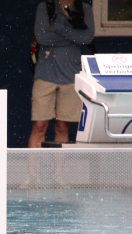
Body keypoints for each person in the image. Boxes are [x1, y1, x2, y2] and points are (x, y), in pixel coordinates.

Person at [29, 0, 94, 148]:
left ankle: (59, 172)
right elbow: (42, 38)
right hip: (45, 74)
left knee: (62, 126)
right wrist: (72, 37)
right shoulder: (45, 7)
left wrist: (58, 29)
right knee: (39, 125)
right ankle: (32, 172)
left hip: (71, 75)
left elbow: (87, 38)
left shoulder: (85, 9)